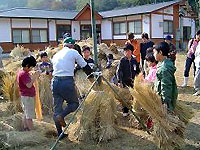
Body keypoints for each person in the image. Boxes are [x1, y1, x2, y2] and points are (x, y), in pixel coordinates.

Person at [51, 37, 93, 139]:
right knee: (74, 104)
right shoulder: (73, 52)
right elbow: (84, 65)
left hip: (55, 82)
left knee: (57, 109)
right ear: (72, 46)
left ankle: (60, 133)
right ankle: (62, 116)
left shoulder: (56, 55)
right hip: (66, 82)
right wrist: (92, 77)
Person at [16, 56, 39, 131]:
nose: (31, 69)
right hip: (27, 97)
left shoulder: (22, 72)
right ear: (27, 65)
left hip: (25, 96)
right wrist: (34, 77)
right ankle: (31, 131)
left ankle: (26, 128)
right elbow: (29, 85)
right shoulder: (23, 74)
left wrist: (31, 75)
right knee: (29, 116)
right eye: (31, 67)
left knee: (26, 113)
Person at [117, 43, 140, 117]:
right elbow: (119, 71)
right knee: (125, 97)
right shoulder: (122, 60)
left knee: (133, 96)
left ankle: (132, 110)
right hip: (124, 82)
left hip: (133, 82)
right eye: (125, 51)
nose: (126, 52)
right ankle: (125, 111)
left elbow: (137, 71)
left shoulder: (134, 60)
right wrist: (119, 81)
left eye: (128, 51)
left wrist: (139, 78)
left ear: (131, 51)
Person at [153, 42, 178, 111]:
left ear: (160, 52)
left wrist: (165, 102)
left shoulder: (164, 68)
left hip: (164, 101)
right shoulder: (162, 63)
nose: (153, 55)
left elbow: (166, 87)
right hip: (159, 97)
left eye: (154, 52)